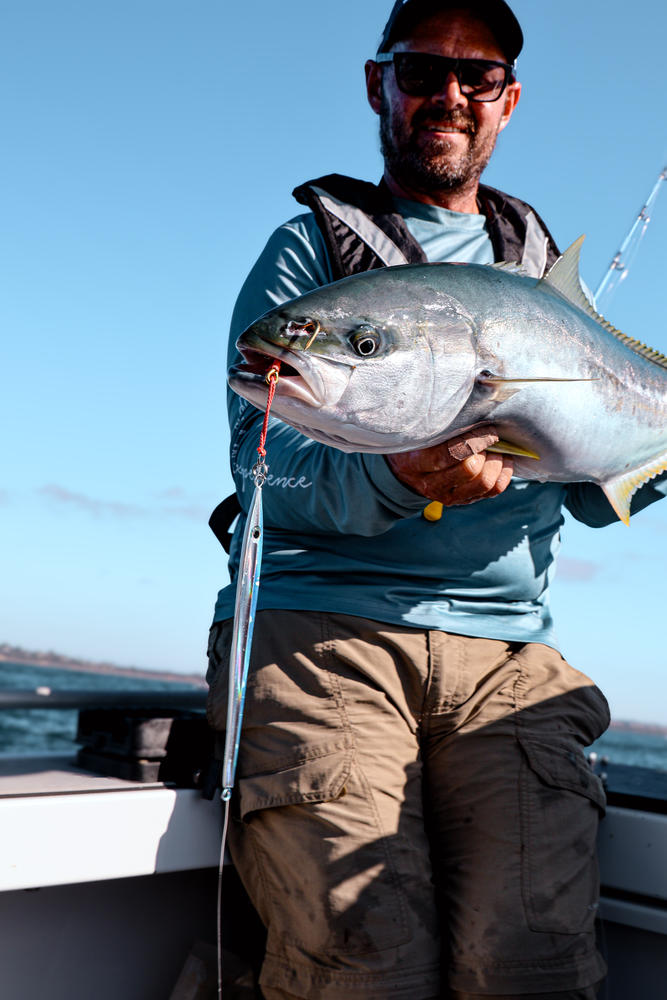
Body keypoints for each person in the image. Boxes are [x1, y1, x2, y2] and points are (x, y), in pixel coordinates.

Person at [206, 2, 667, 998]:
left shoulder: (541, 277)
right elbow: (259, 470)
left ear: (507, 100)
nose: (447, 96)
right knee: (365, 963)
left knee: (531, 964)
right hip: (324, 634)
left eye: (477, 75)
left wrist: (647, 456)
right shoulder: (308, 258)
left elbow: (590, 499)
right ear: (379, 85)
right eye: (420, 72)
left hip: (508, 657)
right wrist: (393, 474)